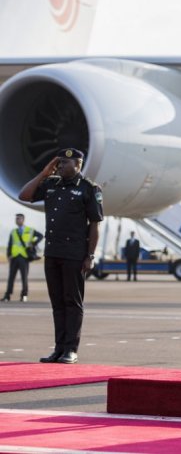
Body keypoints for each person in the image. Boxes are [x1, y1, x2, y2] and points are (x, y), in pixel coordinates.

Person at [18, 148, 104, 364]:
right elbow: (24, 195)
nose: (61, 166)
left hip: (74, 254)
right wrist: (44, 173)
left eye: (66, 163)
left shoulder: (88, 188)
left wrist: (90, 256)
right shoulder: (51, 184)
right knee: (57, 303)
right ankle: (59, 348)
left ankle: (71, 350)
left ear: (78, 165)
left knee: (72, 302)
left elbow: (95, 224)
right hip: (52, 252)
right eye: (59, 162)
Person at [2, 213, 43, 302]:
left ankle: (24, 295)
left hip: (24, 257)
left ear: (23, 220)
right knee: (11, 277)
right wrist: (8, 255)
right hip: (14, 257)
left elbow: (41, 236)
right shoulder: (13, 231)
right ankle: (7, 295)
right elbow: (10, 244)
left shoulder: (30, 230)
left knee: (24, 277)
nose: (17, 220)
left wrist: (33, 243)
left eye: (19, 218)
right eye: (16, 219)